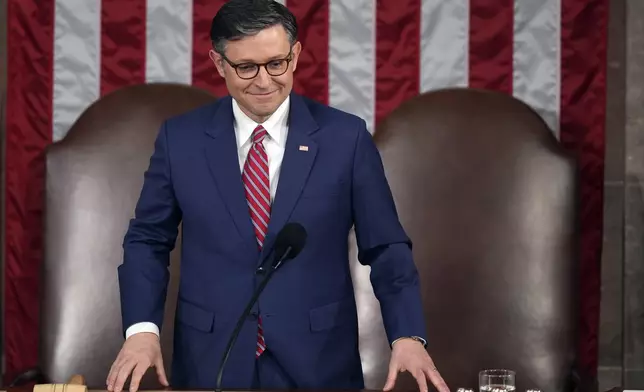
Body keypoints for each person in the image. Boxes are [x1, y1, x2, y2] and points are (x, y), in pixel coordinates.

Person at [106, 1, 450, 391]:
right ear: (218, 63)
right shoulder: (180, 139)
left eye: (276, 63)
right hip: (212, 360)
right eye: (246, 67)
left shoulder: (345, 139)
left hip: (319, 361)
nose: (264, 81)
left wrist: (407, 335)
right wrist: (141, 329)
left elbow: (386, 246)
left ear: (296, 55)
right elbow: (147, 240)